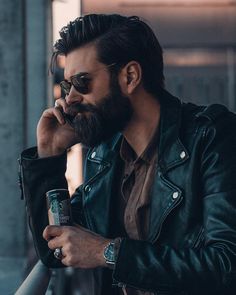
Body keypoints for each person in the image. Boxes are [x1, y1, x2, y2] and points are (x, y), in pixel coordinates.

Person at [19, 14, 236, 295]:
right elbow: (55, 252)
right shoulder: (104, 157)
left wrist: (107, 252)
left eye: (82, 83)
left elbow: (227, 265)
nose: (70, 99)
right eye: (67, 85)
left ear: (130, 76)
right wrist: (49, 156)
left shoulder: (210, 138)